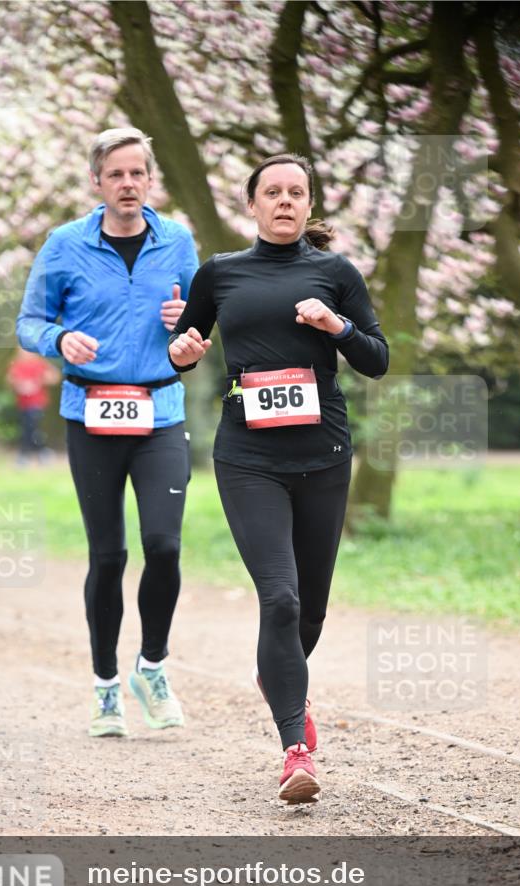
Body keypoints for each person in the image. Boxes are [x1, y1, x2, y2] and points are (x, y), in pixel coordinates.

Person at [168, 153, 388, 804]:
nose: (285, 201)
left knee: (310, 610)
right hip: (247, 458)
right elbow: (185, 343)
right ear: (252, 204)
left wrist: (335, 325)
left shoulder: (335, 273)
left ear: (308, 204)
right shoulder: (220, 273)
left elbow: (375, 358)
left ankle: (279, 675)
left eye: (296, 192)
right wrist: (182, 352)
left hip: (323, 455)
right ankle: (296, 750)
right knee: (281, 600)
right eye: (273, 192)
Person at [16, 127, 199, 739]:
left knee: (164, 545)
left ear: (151, 180)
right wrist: (58, 338)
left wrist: (188, 325)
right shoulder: (65, 244)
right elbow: (29, 321)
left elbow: (200, 327)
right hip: (90, 413)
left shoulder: (177, 241)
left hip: (160, 412)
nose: (128, 184)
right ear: (97, 181)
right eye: (116, 174)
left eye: (137, 173)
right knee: (109, 554)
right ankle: (104, 688)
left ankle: (151, 666)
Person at [7, 346, 60, 464]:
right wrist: (20, 385)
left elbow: (54, 376)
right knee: (29, 429)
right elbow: (10, 380)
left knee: (32, 427)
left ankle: (25, 454)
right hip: (23, 403)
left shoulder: (39, 363)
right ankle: (42, 452)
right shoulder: (17, 365)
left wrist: (39, 381)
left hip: (37, 402)